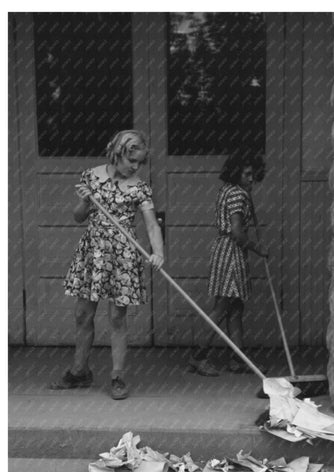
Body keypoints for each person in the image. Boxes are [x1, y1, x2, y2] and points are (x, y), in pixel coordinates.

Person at [50, 129, 164, 399]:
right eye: (131, 161)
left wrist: (158, 252)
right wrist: (84, 201)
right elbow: (78, 217)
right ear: (118, 153)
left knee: (117, 317)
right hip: (93, 253)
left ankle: (117, 377)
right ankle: (79, 371)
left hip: (122, 255)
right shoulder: (91, 176)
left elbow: (151, 224)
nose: (135, 167)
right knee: (83, 315)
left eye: (139, 163)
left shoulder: (139, 187)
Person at [188, 150, 267, 376]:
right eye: (247, 174)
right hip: (231, 252)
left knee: (235, 308)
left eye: (253, 174)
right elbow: (237, 233)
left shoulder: (229, 190)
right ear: (236, 173)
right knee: (222, 307)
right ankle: (198, 356)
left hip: (226, 251)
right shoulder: (237, 195)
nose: (251, 178)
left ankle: (237, 358)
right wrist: (257, 248)